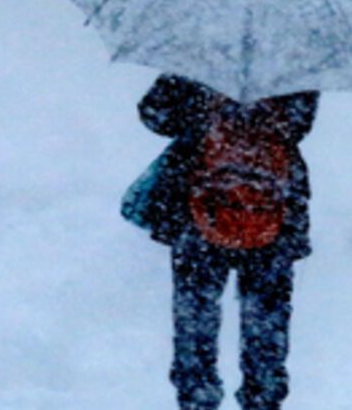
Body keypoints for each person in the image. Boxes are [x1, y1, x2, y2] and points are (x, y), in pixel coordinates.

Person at [135, 74, 317, 410]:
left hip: (200, 207)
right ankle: (262, 397)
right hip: (272, 208)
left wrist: (198, 110)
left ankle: (197, 397)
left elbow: (154, 114)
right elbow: (299, 126)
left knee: (196, 315)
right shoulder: (292, 64)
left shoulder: (198, 58)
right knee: (266, 318)